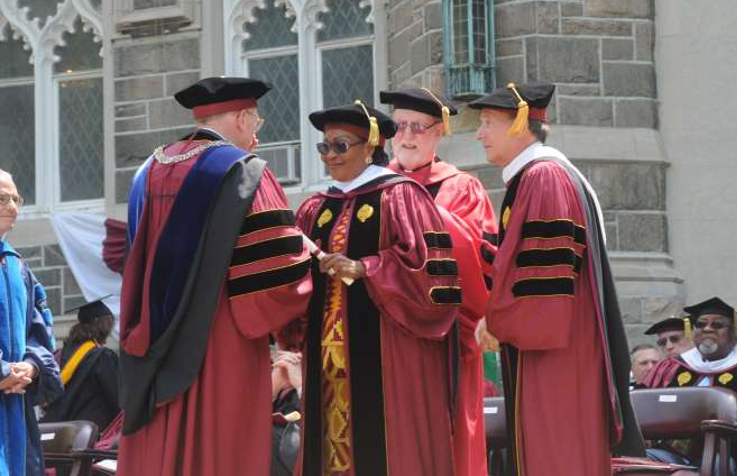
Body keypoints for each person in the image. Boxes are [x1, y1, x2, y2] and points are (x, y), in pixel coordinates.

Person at [116, 77, 313, 476]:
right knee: (221, 445)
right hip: (221, 337)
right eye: (256, 125)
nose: (256, 137)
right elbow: (276, 269)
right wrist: (313, 258)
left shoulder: (148, 171)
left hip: (152, 338)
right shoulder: (244, 173)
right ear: (241, 118)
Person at [471, 82, 644, 475]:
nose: (479, 133)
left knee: (554, 455)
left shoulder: (544, 177)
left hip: (555, 354)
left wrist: (496, 321)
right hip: (554, 344)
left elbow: (543, 283)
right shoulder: (536, 177)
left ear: (518, 123)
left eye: (486, 122)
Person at [294, 100, 461, 475]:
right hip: (325, 355)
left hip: (390, 353)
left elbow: (429, 275)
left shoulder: (401, 196)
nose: (330, 156)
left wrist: (366, 267)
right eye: (324, 147)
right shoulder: (315, 208)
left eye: (340, 145)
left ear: (370, 145)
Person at [382, 87, 496, 476]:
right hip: (385, 340)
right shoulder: (373, 188)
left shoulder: (461, 188)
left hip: (443, 340)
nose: (407, 136)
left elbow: (475, 261)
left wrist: (414, 212)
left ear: (439, 132)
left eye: (418, 126)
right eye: (398, 127)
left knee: (446, 447)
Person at [640, 297, 737, 471]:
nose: (707, 329)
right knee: (638, 459)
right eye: (701, 325)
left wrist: (701, 418)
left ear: (734, 333)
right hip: (672, 452)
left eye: (717, 325)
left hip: (728, 453)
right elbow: (640, 407)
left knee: (716, 464)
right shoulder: (670, 367)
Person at [0, 169, 62, 476]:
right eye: (2, 198)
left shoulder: (18, 268)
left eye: (16, 198)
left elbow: (41, 332)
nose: (13, 207)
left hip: (14, 408)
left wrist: (31, 366)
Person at [41, 297, 120, 432]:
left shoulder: (57, 356)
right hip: (91, 436)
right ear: (105, 324)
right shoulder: (102, 357)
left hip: (56, 436)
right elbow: (118, 400)